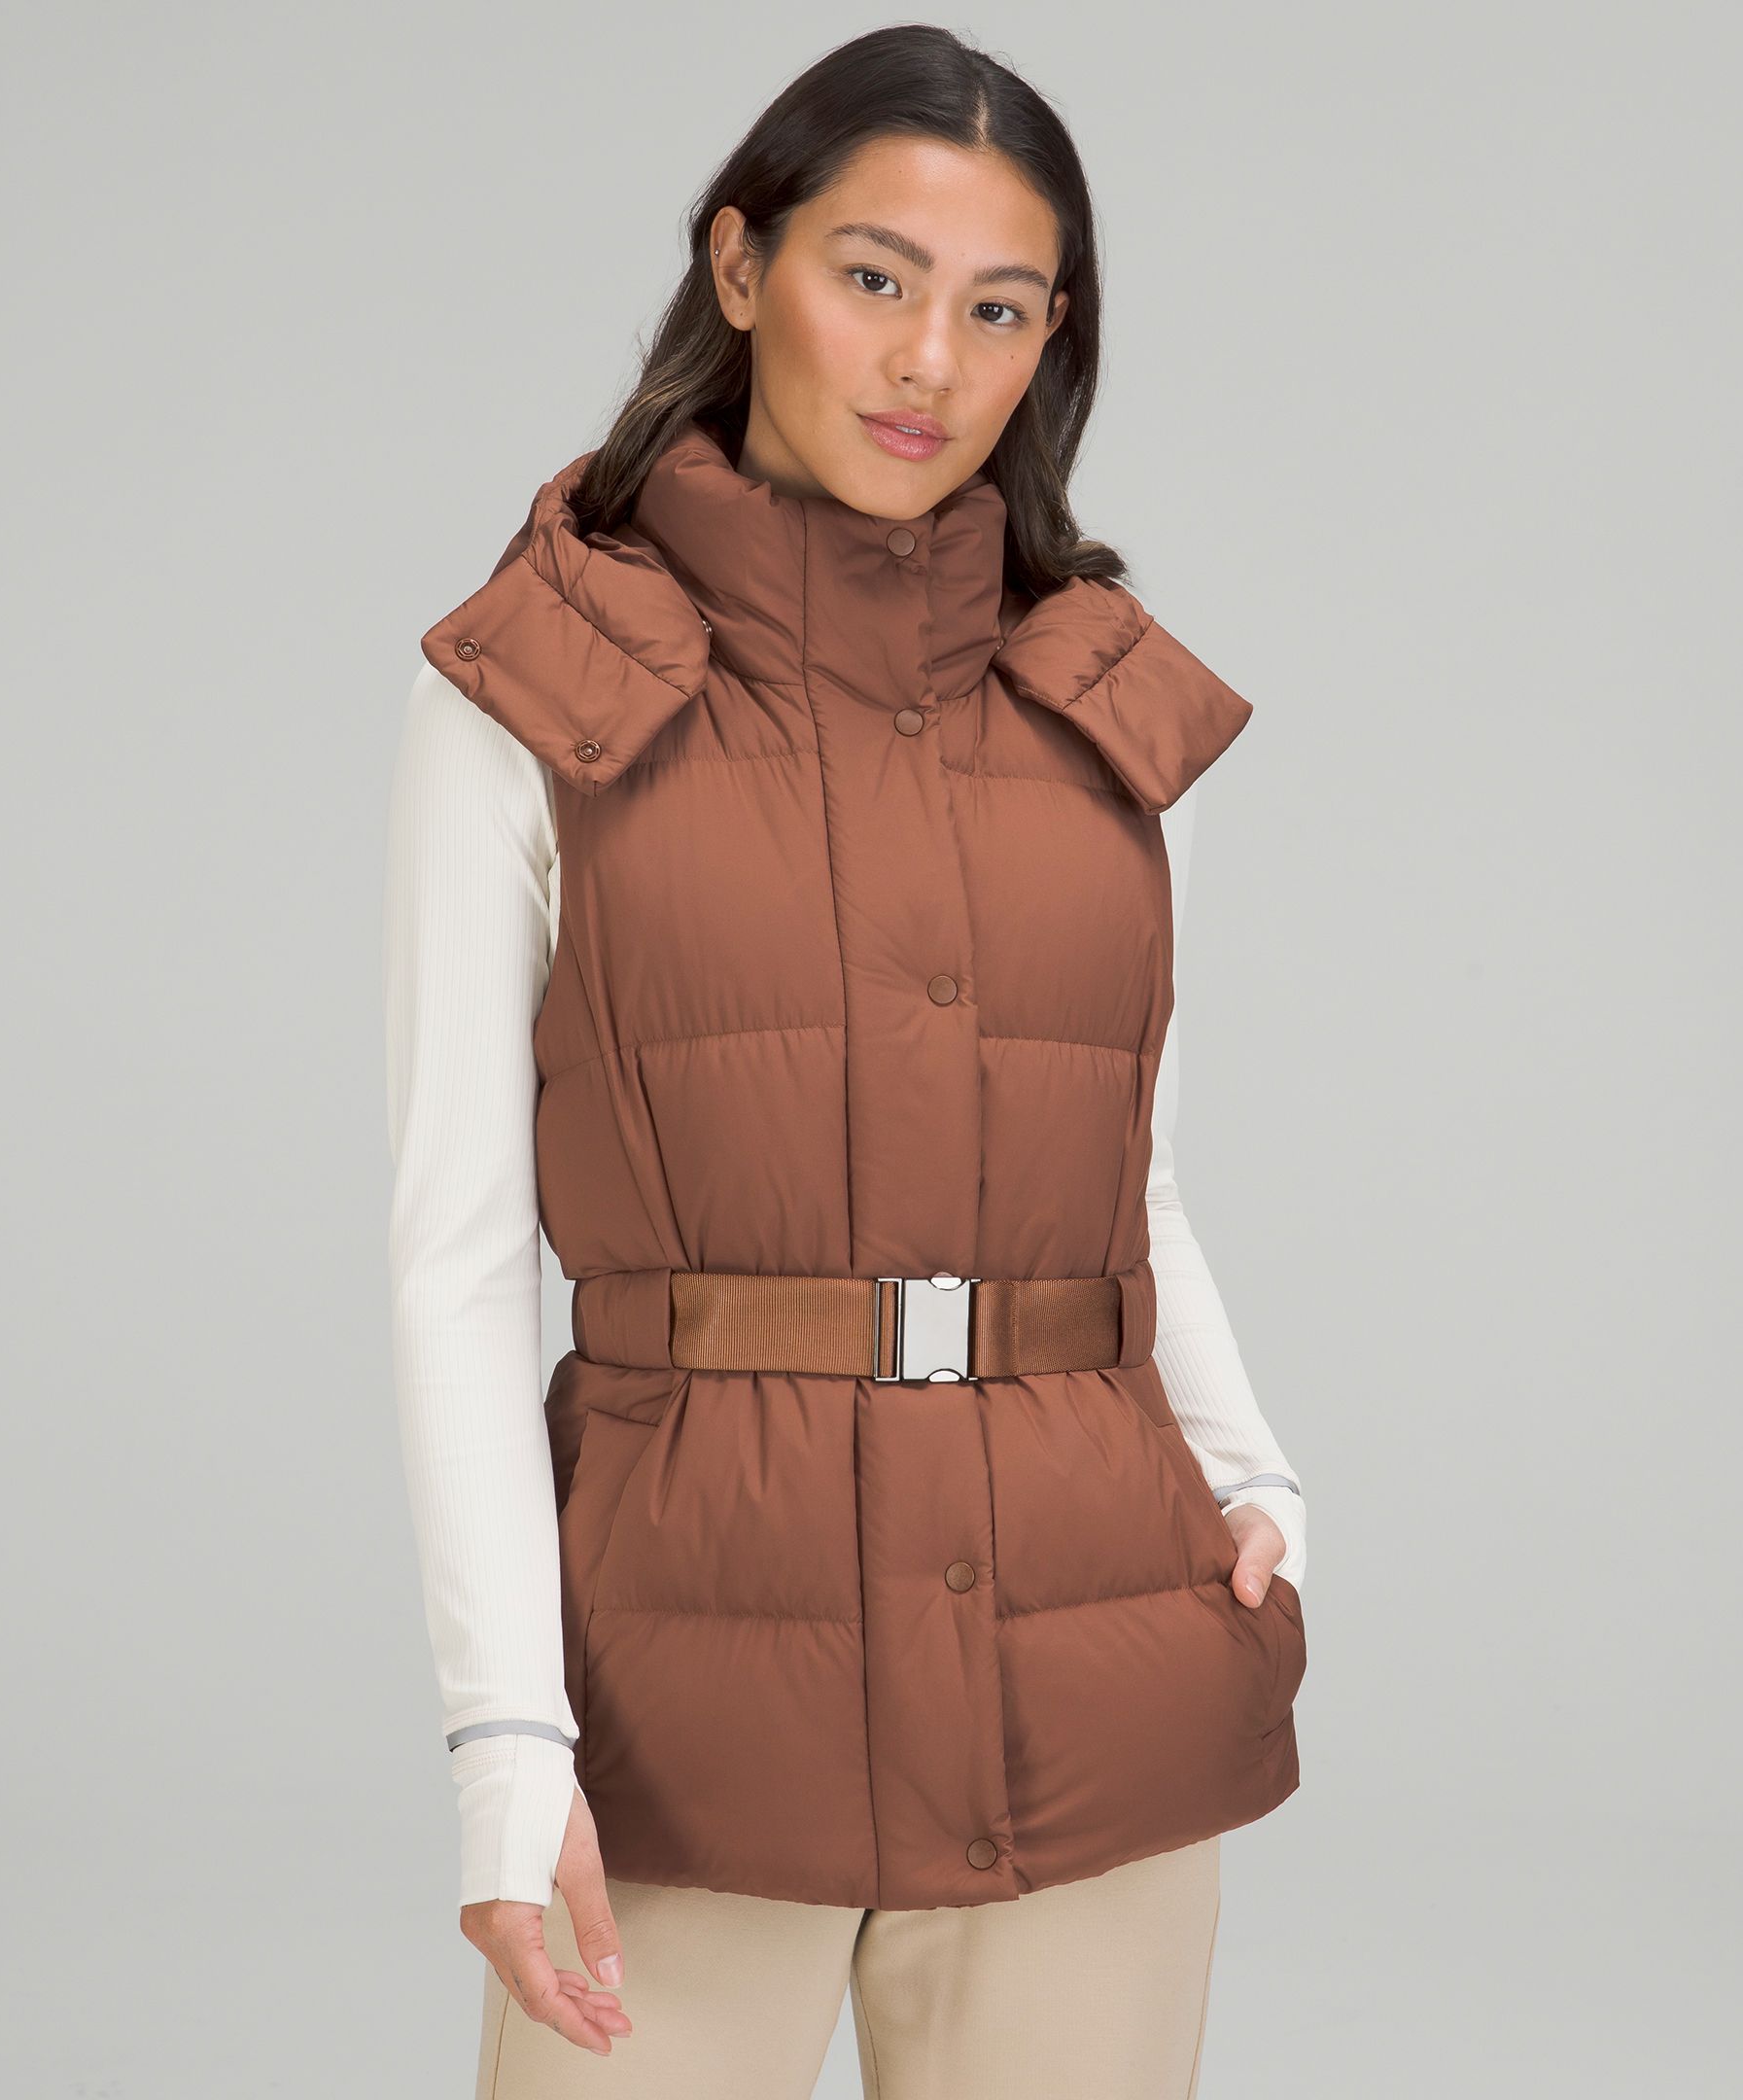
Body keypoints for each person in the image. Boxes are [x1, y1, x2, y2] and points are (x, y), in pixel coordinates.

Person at [383, 25, 1307, 2098]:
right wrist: (506, 1741)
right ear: (741, 265)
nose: (928, 363)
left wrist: (1254, 1479)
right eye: (873, 276)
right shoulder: (531, 687)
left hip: (1099, 1668)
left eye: (1000, 309)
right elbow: (457, 1255)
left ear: (1054, 341)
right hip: (691, 1702)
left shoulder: (1099, 702)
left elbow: (1131, 1189)